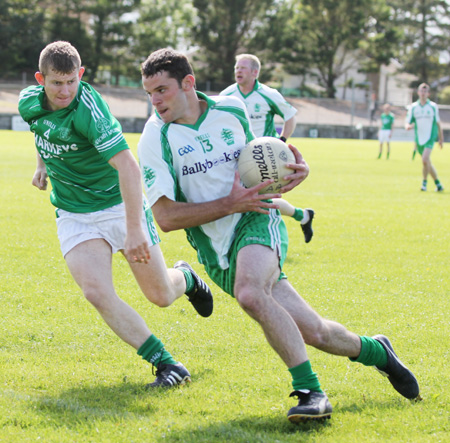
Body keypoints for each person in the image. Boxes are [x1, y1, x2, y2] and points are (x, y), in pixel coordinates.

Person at [137, 48, 420, 423]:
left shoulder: (231, 111)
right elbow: (166, 218)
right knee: (315, 332)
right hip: (216, 249)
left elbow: (261, 160)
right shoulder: (155, 138)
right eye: (149, 93)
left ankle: (310, 393)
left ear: (188, 83)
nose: (155, 101)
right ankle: (376, 351)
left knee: (251, 293)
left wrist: (291, 172)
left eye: (162, 90)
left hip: (257, 218)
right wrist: (229, 203)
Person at [18, 41, 214, 389]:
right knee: (96, 291)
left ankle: (185, 278)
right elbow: (41, 130)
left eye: (70, 82)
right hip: (74, 213)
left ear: (80, 75)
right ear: (40, 79)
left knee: (161, 295)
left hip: (119, 205)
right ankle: (167, 364)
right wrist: (42, 165)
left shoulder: (90, 112)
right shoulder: (29, 103)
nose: (64, 91)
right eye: (56, 83)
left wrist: (134, 228)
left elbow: (128, 166)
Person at [220, 54, 314, 244]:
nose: (238, 71)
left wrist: (282, 141)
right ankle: (302, 216)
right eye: (237, 67)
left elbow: (290, 117)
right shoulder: (226, 95)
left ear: (255, 72)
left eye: (243, 68)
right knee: (246, 199)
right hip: (233, 157)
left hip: (261, 160)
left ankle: (257, 241)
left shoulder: (268, 94)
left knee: (257, 200)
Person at [405, 83, 444, 192]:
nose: (423, 93)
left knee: (424, 159)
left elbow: (438, 123)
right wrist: (407, 126)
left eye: (425, 91)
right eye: (421, 91)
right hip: (419, 139)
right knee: (427, 162)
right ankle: (438, 184)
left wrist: (441, 138)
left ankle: (424, 184)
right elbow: (408, 121)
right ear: (418, 93)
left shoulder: (432, 106)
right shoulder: (413, 107)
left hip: (430, 137)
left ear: (428, 93)